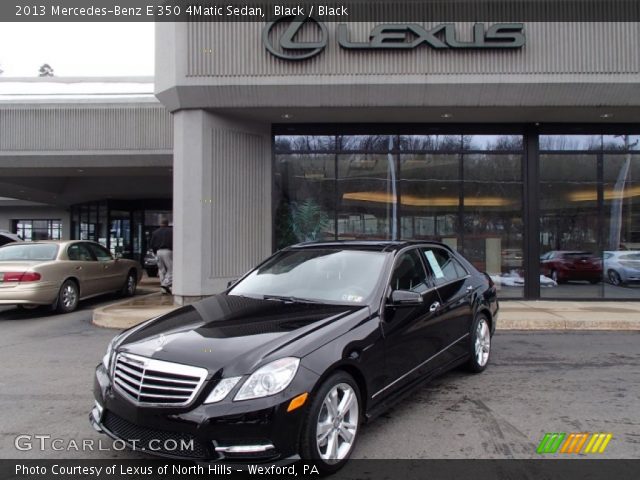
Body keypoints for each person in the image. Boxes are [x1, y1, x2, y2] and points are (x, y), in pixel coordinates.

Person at [150, 219, 173, 294]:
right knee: (171, 269)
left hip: (158, 251)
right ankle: (165, 284)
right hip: (168, 251)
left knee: (161, 269)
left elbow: (151, 244)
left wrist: (155, 253)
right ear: (167, 223)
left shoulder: (155, 232)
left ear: (160, 223)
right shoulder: (171, 231)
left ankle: (163, 289)